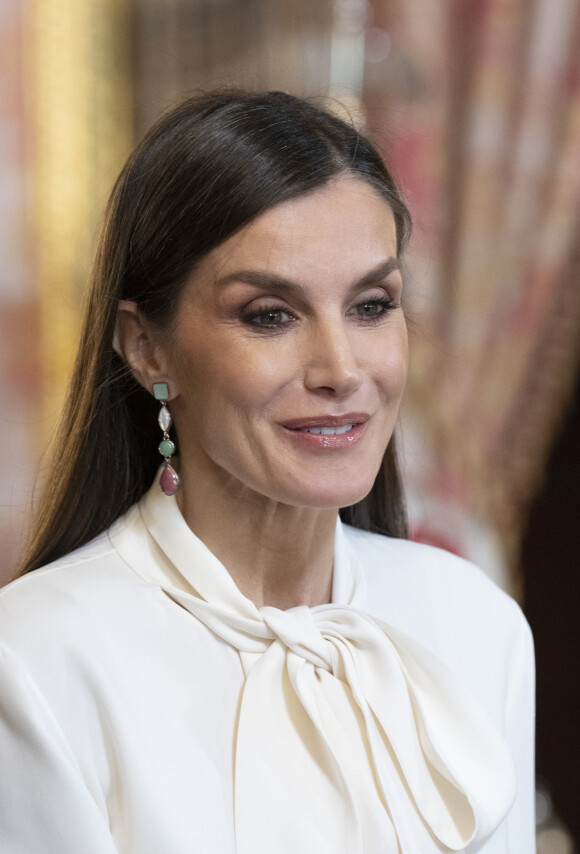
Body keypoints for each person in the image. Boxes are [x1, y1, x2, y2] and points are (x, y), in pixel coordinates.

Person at [0, 91, 534, 853]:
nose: (341, 369)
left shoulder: (477, 625)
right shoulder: (35, 662)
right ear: (146, 347)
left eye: (372, 305)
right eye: (270, 315)